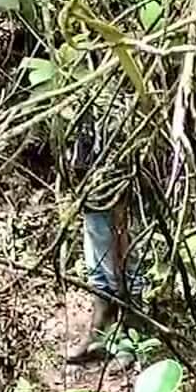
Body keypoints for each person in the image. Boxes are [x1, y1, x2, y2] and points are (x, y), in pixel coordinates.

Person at [65, 103, 141, 365]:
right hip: (92, 185)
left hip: (123, 186)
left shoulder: (121, 100)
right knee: (97, 267)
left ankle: (129, 337)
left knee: (127, 266)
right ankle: (98, 334)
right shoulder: (87, 97)